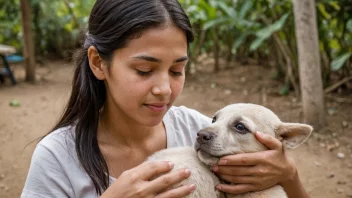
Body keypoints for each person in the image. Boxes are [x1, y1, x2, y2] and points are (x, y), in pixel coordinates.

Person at [21, 0, 310, 197]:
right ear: (98, 63)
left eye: (177, 70)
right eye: (144, 70)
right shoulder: (58, 157)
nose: (164, 89)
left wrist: (288, 174)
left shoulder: (198, 133)